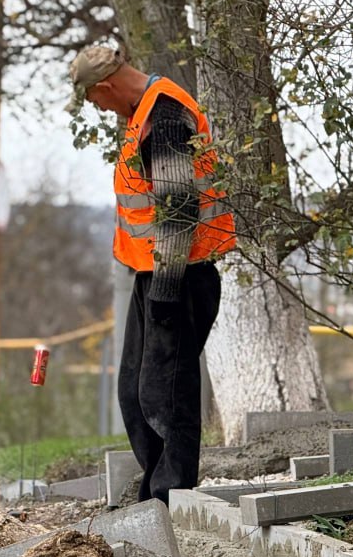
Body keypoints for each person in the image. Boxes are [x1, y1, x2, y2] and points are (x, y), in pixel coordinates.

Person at [69, 45, 235, 504]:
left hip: (178, 277)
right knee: (135, 392)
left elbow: (179, 209)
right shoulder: (142, 114)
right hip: (156, 276)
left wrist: (164, 287)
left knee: (168, 396)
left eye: (95, 100)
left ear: (104, 86)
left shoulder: (163, 117)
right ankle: (155, 491)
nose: (99, 109)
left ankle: (170, 498)